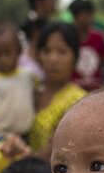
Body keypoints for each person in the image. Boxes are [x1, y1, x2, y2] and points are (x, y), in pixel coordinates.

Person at [26, 21, 86, 159]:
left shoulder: (77, 101)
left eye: (62, 51)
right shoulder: (32, 90)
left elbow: (52, 155)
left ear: (75, 58)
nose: (53, 59)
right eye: (47, 51)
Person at [0, 22, 38, 143]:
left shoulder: (28, 76)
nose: (3, 59)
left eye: (7, 53)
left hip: (26, 136)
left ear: (19, 50)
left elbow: (38, 95)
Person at [67, 0, 104, 91]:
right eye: (85, 14)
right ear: (75, 16)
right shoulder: (67, 38)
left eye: (90, 14)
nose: (89, 17)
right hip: (72, 90)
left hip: (95, 90)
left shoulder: (99, 38)